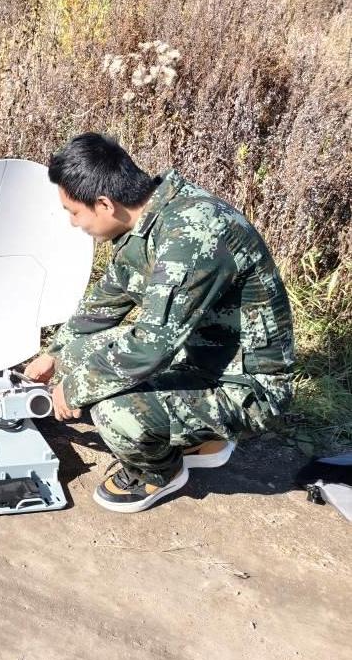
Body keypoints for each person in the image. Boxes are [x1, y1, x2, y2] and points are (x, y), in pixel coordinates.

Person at [24, 133, 295, 513]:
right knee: (74, 357)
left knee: (115, 412)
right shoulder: (144, 226)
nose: (72, 223)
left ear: (104, 204)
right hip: (195, 357)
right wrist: (53, 355)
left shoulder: (193, 233)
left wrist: (74, 390)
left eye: (74, 212)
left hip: (244, 386)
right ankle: (194, 435)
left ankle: (160, 471)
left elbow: (152, 344)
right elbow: (101, 307)